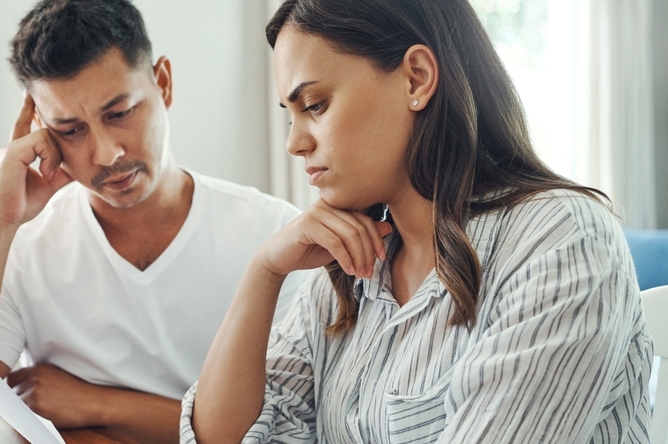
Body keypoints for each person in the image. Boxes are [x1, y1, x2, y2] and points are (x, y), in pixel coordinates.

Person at [183, 0, 653, 442]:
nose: (295, 143)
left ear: (416, 79)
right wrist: (263, 274)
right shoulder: (348, 271)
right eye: (290, 116)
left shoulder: (560, 240)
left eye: (316, 105)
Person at [0, 0, 306, 443]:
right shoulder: (23, 247)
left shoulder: (269, 235)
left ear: (162, 83)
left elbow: (283, 432)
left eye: (120, 113)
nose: (106, 153)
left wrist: (96, 405)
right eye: (71, 130)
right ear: (40, 126)